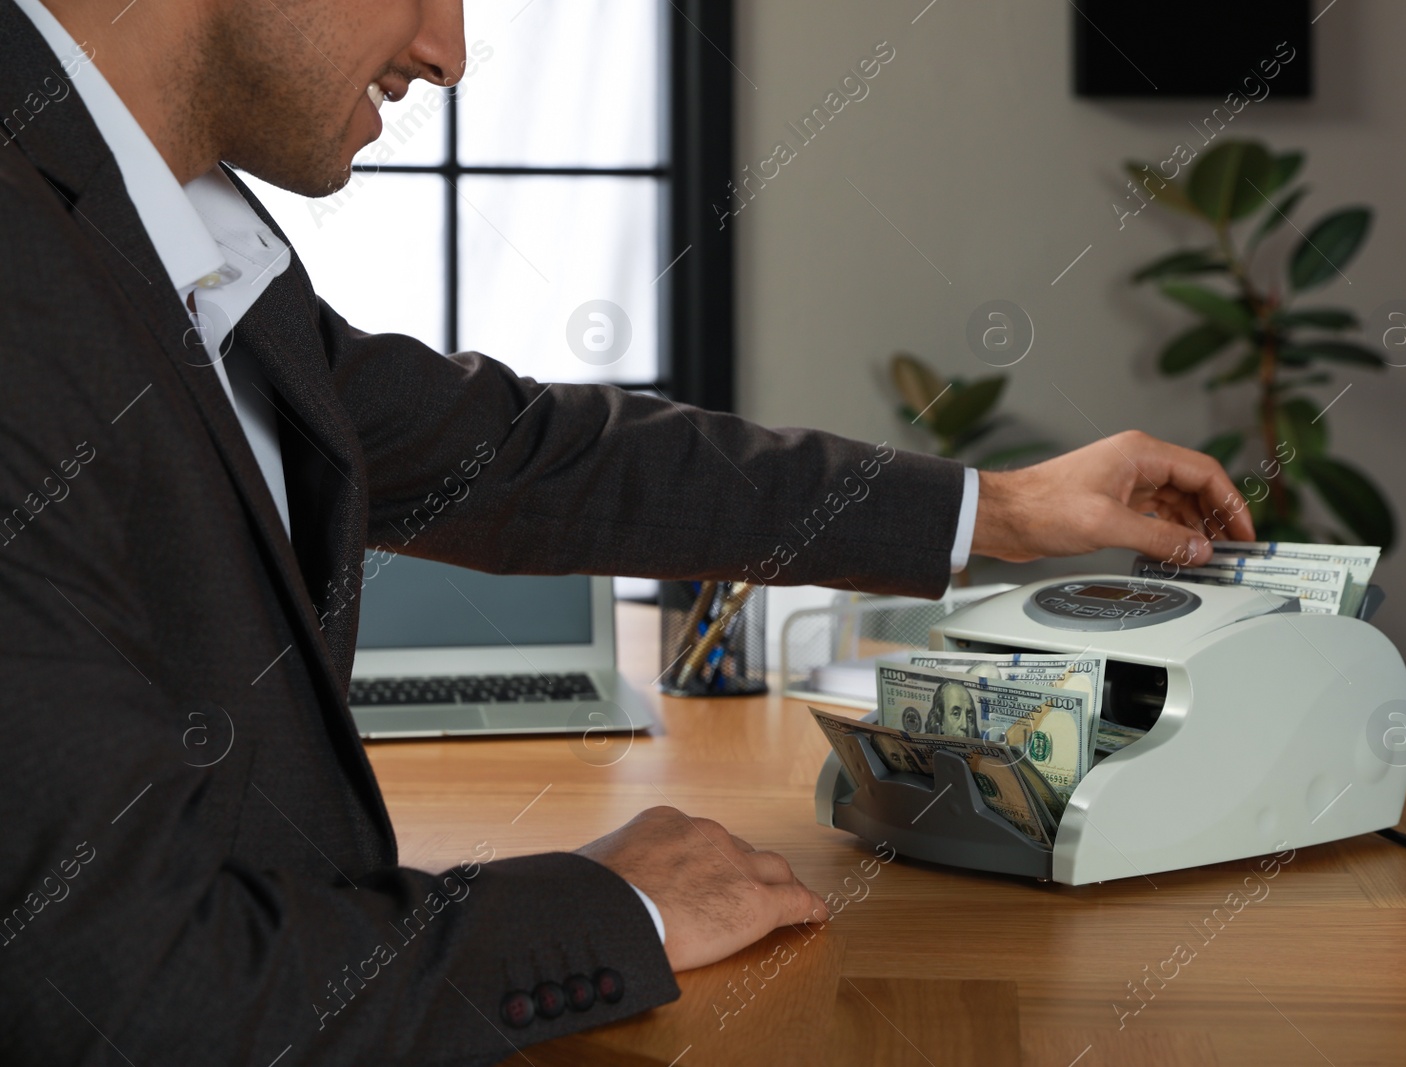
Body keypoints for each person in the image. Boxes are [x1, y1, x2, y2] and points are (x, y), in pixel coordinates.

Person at [0, 0, 1254, 1062]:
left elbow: (531, 461)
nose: (448, 50)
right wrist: (608, 907)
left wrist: (1001, 510)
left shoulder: (169, 233)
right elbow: (124, 987)